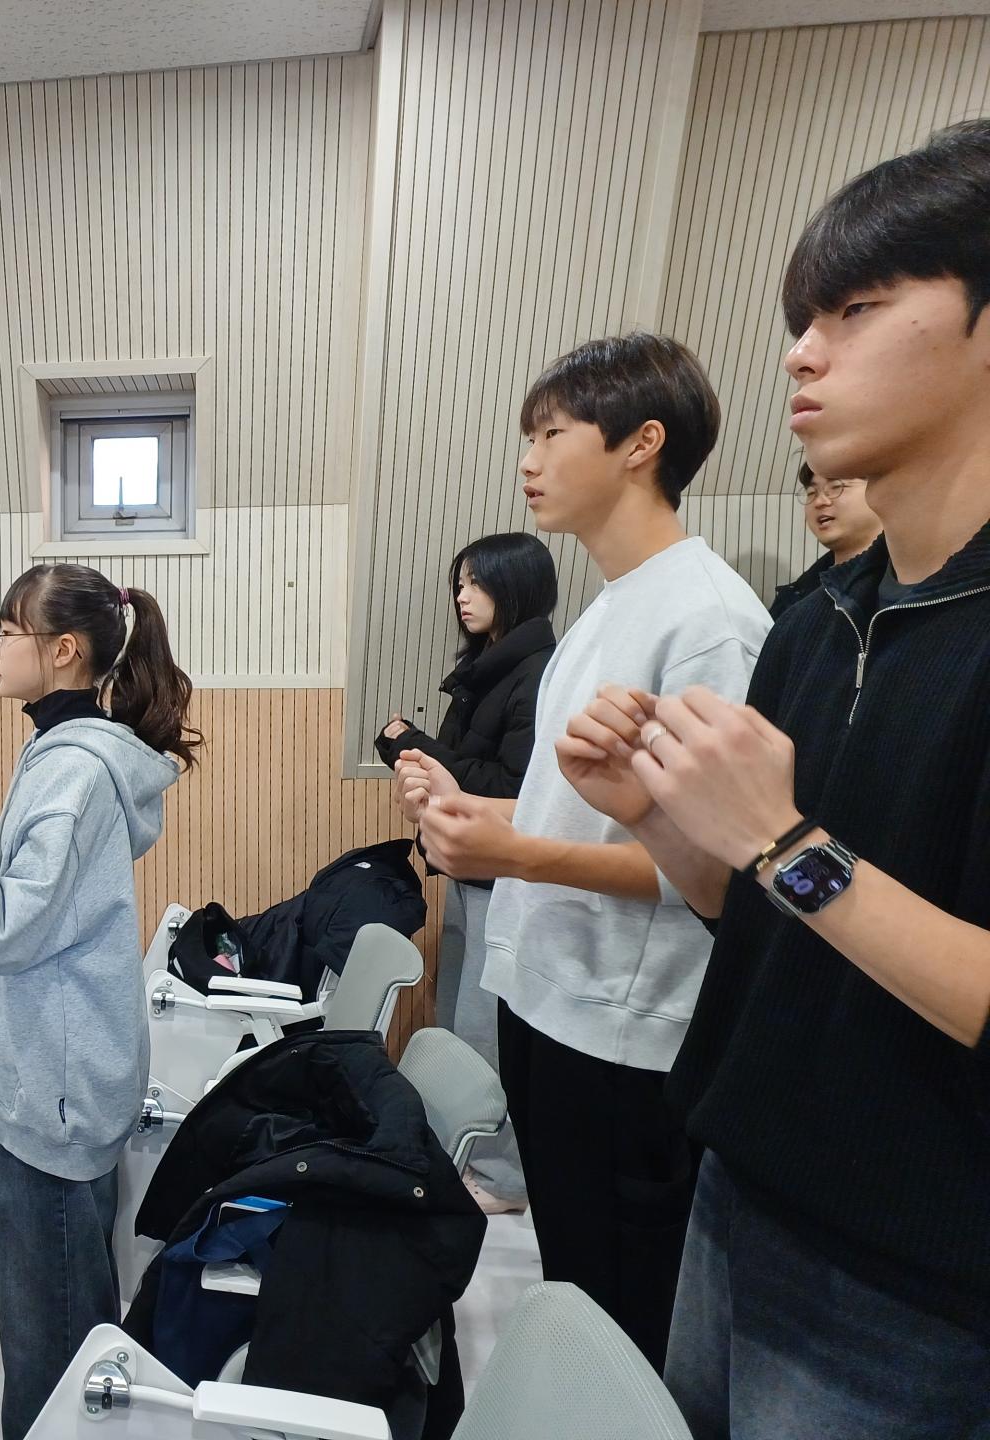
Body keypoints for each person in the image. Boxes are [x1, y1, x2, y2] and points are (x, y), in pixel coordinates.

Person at [557, 118, 990, 1438]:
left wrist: (787, 841)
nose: (802, 352)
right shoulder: (819, 616)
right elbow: (755, 910)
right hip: (740, 1185)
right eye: (803, 319)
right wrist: (666, 823)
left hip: (912, 1269)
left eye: (857, 310)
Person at [407, 333, 769, 1370]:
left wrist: (514, 852)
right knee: (574, 1282)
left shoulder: (709, 623)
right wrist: (473, 809)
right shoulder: (610, 608)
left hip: (626, 1034)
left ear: (640, 444)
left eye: (552, 434)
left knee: (623, 1324)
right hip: (551, 1001)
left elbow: (712, 873)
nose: (528, 461)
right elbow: (572, 813)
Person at [0, 563, 197, 1440]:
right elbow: (41, 886)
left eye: (6, 631)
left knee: (50, 1345)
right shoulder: (69, 751)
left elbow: (4, 929)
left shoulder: (74, 769)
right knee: (66, 1315)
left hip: (54, 1086)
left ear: (63, 650)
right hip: (66, 1068)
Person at [376, 531, 558, 1214]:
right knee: (456, 1018)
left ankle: (503, 1177)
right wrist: (411, 752)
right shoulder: (486, 666)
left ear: (517, 587)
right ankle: (459, 1153)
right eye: (459, 583)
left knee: (488, 1032)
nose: (462, 595)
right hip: (468, 869)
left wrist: (413, 745)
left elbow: (513, 790)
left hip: (507, 876)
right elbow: (460, 768)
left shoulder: (536, 672)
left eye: (477, 582)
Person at [768, 460, 882, 619]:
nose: (819, 502)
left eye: (836, 487)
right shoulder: (795, 595)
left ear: (881, 491)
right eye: (811, 493)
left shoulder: (900, 586)